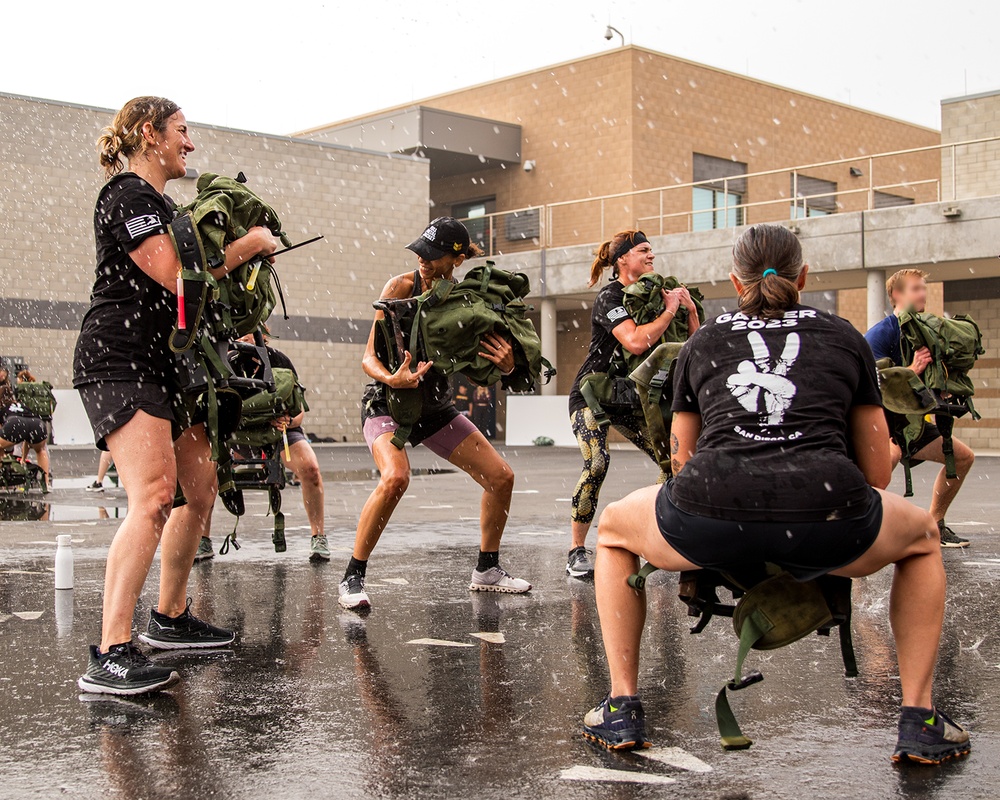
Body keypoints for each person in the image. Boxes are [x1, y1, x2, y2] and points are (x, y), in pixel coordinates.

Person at [582, 224, 970, 766]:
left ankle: (622, 705)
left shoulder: (704, 340)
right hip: (830, 518)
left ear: (734, 281)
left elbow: (680, 459)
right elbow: (879, 471)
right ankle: (920, 720)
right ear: (803, 277)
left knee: (615, 530)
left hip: (709, 514)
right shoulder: (845, 337)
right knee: (923, 538)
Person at [72, 96, 280, 695]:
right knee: (155, 496)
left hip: (167, 363)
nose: (190, 144)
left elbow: (196, 284)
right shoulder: (128, 196)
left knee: (199, 486)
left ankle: (169, 618)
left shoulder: (162, 203)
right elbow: (174, 274)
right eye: (182, 132)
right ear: (149, 134)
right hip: (120, 358)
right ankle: (110, 652)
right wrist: (247, 247)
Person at [338, 217, 531, 610]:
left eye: (434, 255)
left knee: (501, 477)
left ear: (456, 259)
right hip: (386, 402)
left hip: (435, 406)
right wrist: (394, 379)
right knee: (395, 477)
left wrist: (508, 366)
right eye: (420, 252)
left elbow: (484, 369)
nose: (423, 260)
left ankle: (487, 570)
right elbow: (368, 357)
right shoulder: (400, 287)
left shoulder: (466, 303)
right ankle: (352, 576)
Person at [565, 231, 700, 579]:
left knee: (670, 462)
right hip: (592, 394)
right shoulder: (610, 296)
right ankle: (576, 551)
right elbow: (636, 341)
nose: (651, 255)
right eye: (643, 250)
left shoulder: (657, 295)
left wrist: (690, 310)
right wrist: (671, 311)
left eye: (652, 250)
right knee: (597, 462)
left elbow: (693, 346)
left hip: (632, 397)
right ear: (622, 259)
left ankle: (657, 538)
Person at [865, 269, 974, 548]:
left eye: (923, 288)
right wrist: (911, 370)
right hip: (883, 422)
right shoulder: (881, 333)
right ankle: (860, 530)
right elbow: (869, 382)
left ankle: (934, 525)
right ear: (897, 295)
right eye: (916, 289)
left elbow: (928, 383)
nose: (923, 294)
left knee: (962, 457)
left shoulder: (924, 331)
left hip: (912, 423)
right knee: (887, 460)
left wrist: (943, 390)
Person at [197, 335, 329, 562]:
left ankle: (318, 536)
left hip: (278, 432)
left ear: (263, 335)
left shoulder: (278, 361)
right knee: (203, 474)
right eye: (240, 331)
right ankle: (202, 539)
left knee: (310, 469)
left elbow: (299, 411)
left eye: (251, 331)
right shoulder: (222, 360)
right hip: (235, 432)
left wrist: (288, 421)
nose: (245, 336)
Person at [0, 371, 51, 488]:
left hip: (15, 423)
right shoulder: (20, 405)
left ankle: (3, 474)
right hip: (37, 424)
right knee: (40, 451)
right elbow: (26, 436)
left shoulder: (2, 407)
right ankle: (46, 483)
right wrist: (23, 458)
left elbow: (5, 434)